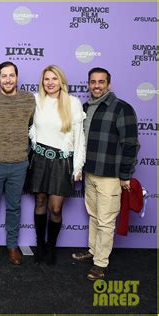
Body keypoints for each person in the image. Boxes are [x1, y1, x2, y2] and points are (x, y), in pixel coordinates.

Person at [72, 67, 140, 280]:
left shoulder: (122, 109)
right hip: (90, 173)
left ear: (108, 84)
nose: (97, 86)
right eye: (93, 82)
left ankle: (100, 263)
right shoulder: (85, 108)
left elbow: (130, 144)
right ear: (88, 84)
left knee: (106, 220)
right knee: (94, 216)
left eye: (101, 82)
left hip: (111, 176)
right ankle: (93, 251)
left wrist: (125, 175)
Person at [26, 65, 85, 265]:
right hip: (40, 159)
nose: (50, 82)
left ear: (61, 81)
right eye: (46, 79)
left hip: (62, 161)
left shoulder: (73, 102)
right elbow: (31, 127)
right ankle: (40, 245)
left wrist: (77, 167)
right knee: (40, 202)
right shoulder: (36, 100)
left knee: (56, 208)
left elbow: (79, 138)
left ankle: (51, 246)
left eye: (54, 78)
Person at [0, 61, 35, 265]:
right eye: (4, 76)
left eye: (11, 75)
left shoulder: (29, 100)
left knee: (14, 207)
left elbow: (33, 125)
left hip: (19, 162)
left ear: (17, 77)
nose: (8, 79)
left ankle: (12, 246)